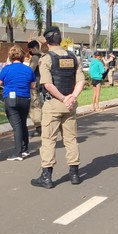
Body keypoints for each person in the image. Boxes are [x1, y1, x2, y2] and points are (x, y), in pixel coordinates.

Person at [31, 26, 86, 189]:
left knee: (48, 140)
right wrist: (72, 98)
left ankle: (46, 177)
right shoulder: (73, 57)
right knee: (71, 139)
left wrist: (62, 98)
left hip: (54, 104)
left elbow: (47, 84)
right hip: (70, 106)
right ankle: (75, 174)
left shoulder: (47, 59)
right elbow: (80, 81)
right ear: (60, 39)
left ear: (46, 42)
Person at [0, 45, 36, 161]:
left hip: (11, 98)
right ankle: (25, 149)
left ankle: (17, 152)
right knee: (23, 123)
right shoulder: (28, 69)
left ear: (10, 56)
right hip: (25, 98)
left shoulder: (7, 69)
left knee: (16, 126)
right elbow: (33, 85)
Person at [27, 40, 43, 136]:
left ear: (35, 48)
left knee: (35, 107)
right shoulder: (45, 56)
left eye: (30, 49)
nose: (30, 51)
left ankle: (38, 128)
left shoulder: (35, 57)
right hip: (45, 84)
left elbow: (30, 71)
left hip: (35, 84)